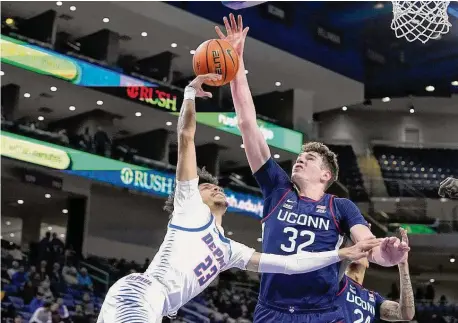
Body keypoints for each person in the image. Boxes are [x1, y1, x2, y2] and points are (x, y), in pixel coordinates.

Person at [96, 74, 381, 323]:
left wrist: (340, 254)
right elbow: (185, 136)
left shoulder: (228, 250)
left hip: (155, 307)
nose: (216, 187)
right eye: (207, 188)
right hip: (138, 294)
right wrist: (189, 94)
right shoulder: (189, 210)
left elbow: (288, 264)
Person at [215, 13, 410, 322]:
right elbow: (247, 124)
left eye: (311, 159)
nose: (301, 159)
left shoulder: (341, 207)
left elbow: (369, 249)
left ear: (326, 175)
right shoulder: (277, 189)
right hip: (272, 309)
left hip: (321, 311)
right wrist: (236, 64)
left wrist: (390, 254)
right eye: (300, 157)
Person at [337, 228, 415, 322]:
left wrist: (403, 263)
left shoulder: (372, 299)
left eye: (362, 250)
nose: (357, 251)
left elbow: (405, 314)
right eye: (353, 247)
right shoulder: (335, 283)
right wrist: (359, 233)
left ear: (368, 263)